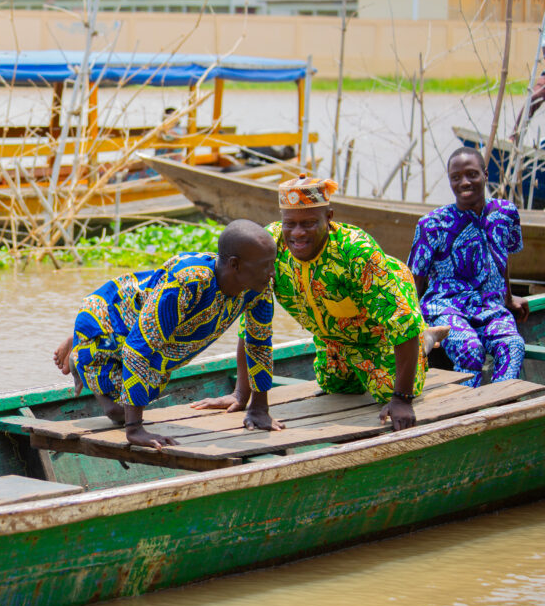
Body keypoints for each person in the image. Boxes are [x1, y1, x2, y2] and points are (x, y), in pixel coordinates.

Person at [201, 175, 447, 431]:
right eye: (290, 224)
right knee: (337, 388)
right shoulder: (269, 247)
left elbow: (401, 323)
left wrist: (402, 398)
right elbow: (254, 324)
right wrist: (242, 393)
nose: (297, 233)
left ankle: (424, 341)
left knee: (387, 390)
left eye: (309, 223)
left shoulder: (357, 252)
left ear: (329, 217)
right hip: (332, 337)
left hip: (379, 332)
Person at [52, 220, 283, 450]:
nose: (272, 272)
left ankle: (78, 344)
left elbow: (259, 343)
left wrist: (259, 408)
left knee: (146, 387)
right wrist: (135, 429)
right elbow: (137, 349)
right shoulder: (189, 283)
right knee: (118, 412)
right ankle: (80, 355)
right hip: (107, 320)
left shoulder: (259, 289)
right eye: (266, 265)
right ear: (235, 265)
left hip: (148, 330)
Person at [407, 147, 528, 387]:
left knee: (513, 345)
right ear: (450, 181)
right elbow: (414, 279)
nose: (464, 182)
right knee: (470, 350)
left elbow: (502, 260)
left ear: (485, 174)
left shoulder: (506, 213)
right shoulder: (432, 224)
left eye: (472, 174)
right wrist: (412, 323)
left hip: (490, 306)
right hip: (445, 308)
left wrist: (509, 299)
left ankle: (499, 407)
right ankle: (466, 411)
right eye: (456, 177)